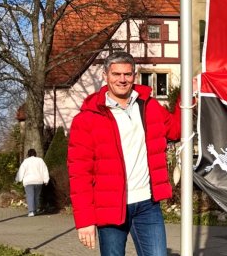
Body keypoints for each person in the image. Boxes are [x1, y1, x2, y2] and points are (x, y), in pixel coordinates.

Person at [67, 51, 181, 256]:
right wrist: (85, 221)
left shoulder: (149, 106)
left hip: (148, 204)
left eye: (127, 74)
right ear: (105, 76)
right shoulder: (86, 119)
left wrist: (187, 97)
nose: (122, 79)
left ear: (134, 76)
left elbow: (175, 130)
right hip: (109, 207)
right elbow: (79, 174)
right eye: (116, 74)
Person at [15, 148, 50, 217]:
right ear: (35, 154)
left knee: (30, 196)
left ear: (28, 154)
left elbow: (21, 171)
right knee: (36, 196)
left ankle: (31, 211)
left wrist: (18, 179)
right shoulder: (40, 160)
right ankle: (35, 210)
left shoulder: (26, 161)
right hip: (38, 181)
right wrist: (46, 180)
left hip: (29, 181)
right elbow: (44, 170)